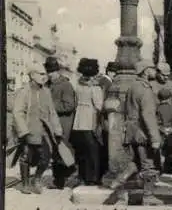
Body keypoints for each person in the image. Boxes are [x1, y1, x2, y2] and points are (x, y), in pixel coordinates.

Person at [12, 63, 63, 194]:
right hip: (28, 130)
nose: (44, 76)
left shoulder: (46, 91)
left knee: (46, 157)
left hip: (44, 132)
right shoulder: (24, 91)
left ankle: (37, 178)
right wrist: (23, 131)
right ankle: (25, 184)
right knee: (26, 156)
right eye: (41, 74)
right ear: (32, 75)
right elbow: (18, 112)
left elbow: (52, 112)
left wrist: (57, 129)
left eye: (45, 74)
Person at [122, 59, 163, 206]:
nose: (155, 71)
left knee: (136, 162)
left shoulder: (133, 86)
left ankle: (119, 184)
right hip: (143, 132)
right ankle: (148, 196)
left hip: (132, 130)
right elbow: (148, 115)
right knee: (149, 164)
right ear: (146, 71)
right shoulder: (145, 89)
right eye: (153, 68)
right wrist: (155, 138)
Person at [44, 57, 77, 189]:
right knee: (55, 152)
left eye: (51, 72)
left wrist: (51, 107)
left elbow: (69, 106)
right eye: (48, 72)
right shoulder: (48, 85)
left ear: (57, 72)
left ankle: (65, 177)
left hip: (63, 123)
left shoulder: (65, 85)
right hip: (52, 123)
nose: (49, 75)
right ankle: (58, 181)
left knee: (62, 151)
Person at [71, 58, 104, 186]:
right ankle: (93, 177)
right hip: (90, 118)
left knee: (81, 149)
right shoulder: (95, 87)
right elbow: (99, 105)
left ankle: (82, 176)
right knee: (93, 149)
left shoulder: (77, 85)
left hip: (78, 119)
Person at [157, 88, 172, 181]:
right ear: (169, 98)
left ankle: (159, 174)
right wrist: (171, 129)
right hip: (171, 132)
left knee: (161, 154)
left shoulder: (157, 108)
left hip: (161, 133)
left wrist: (162, 129)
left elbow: (156, 122)